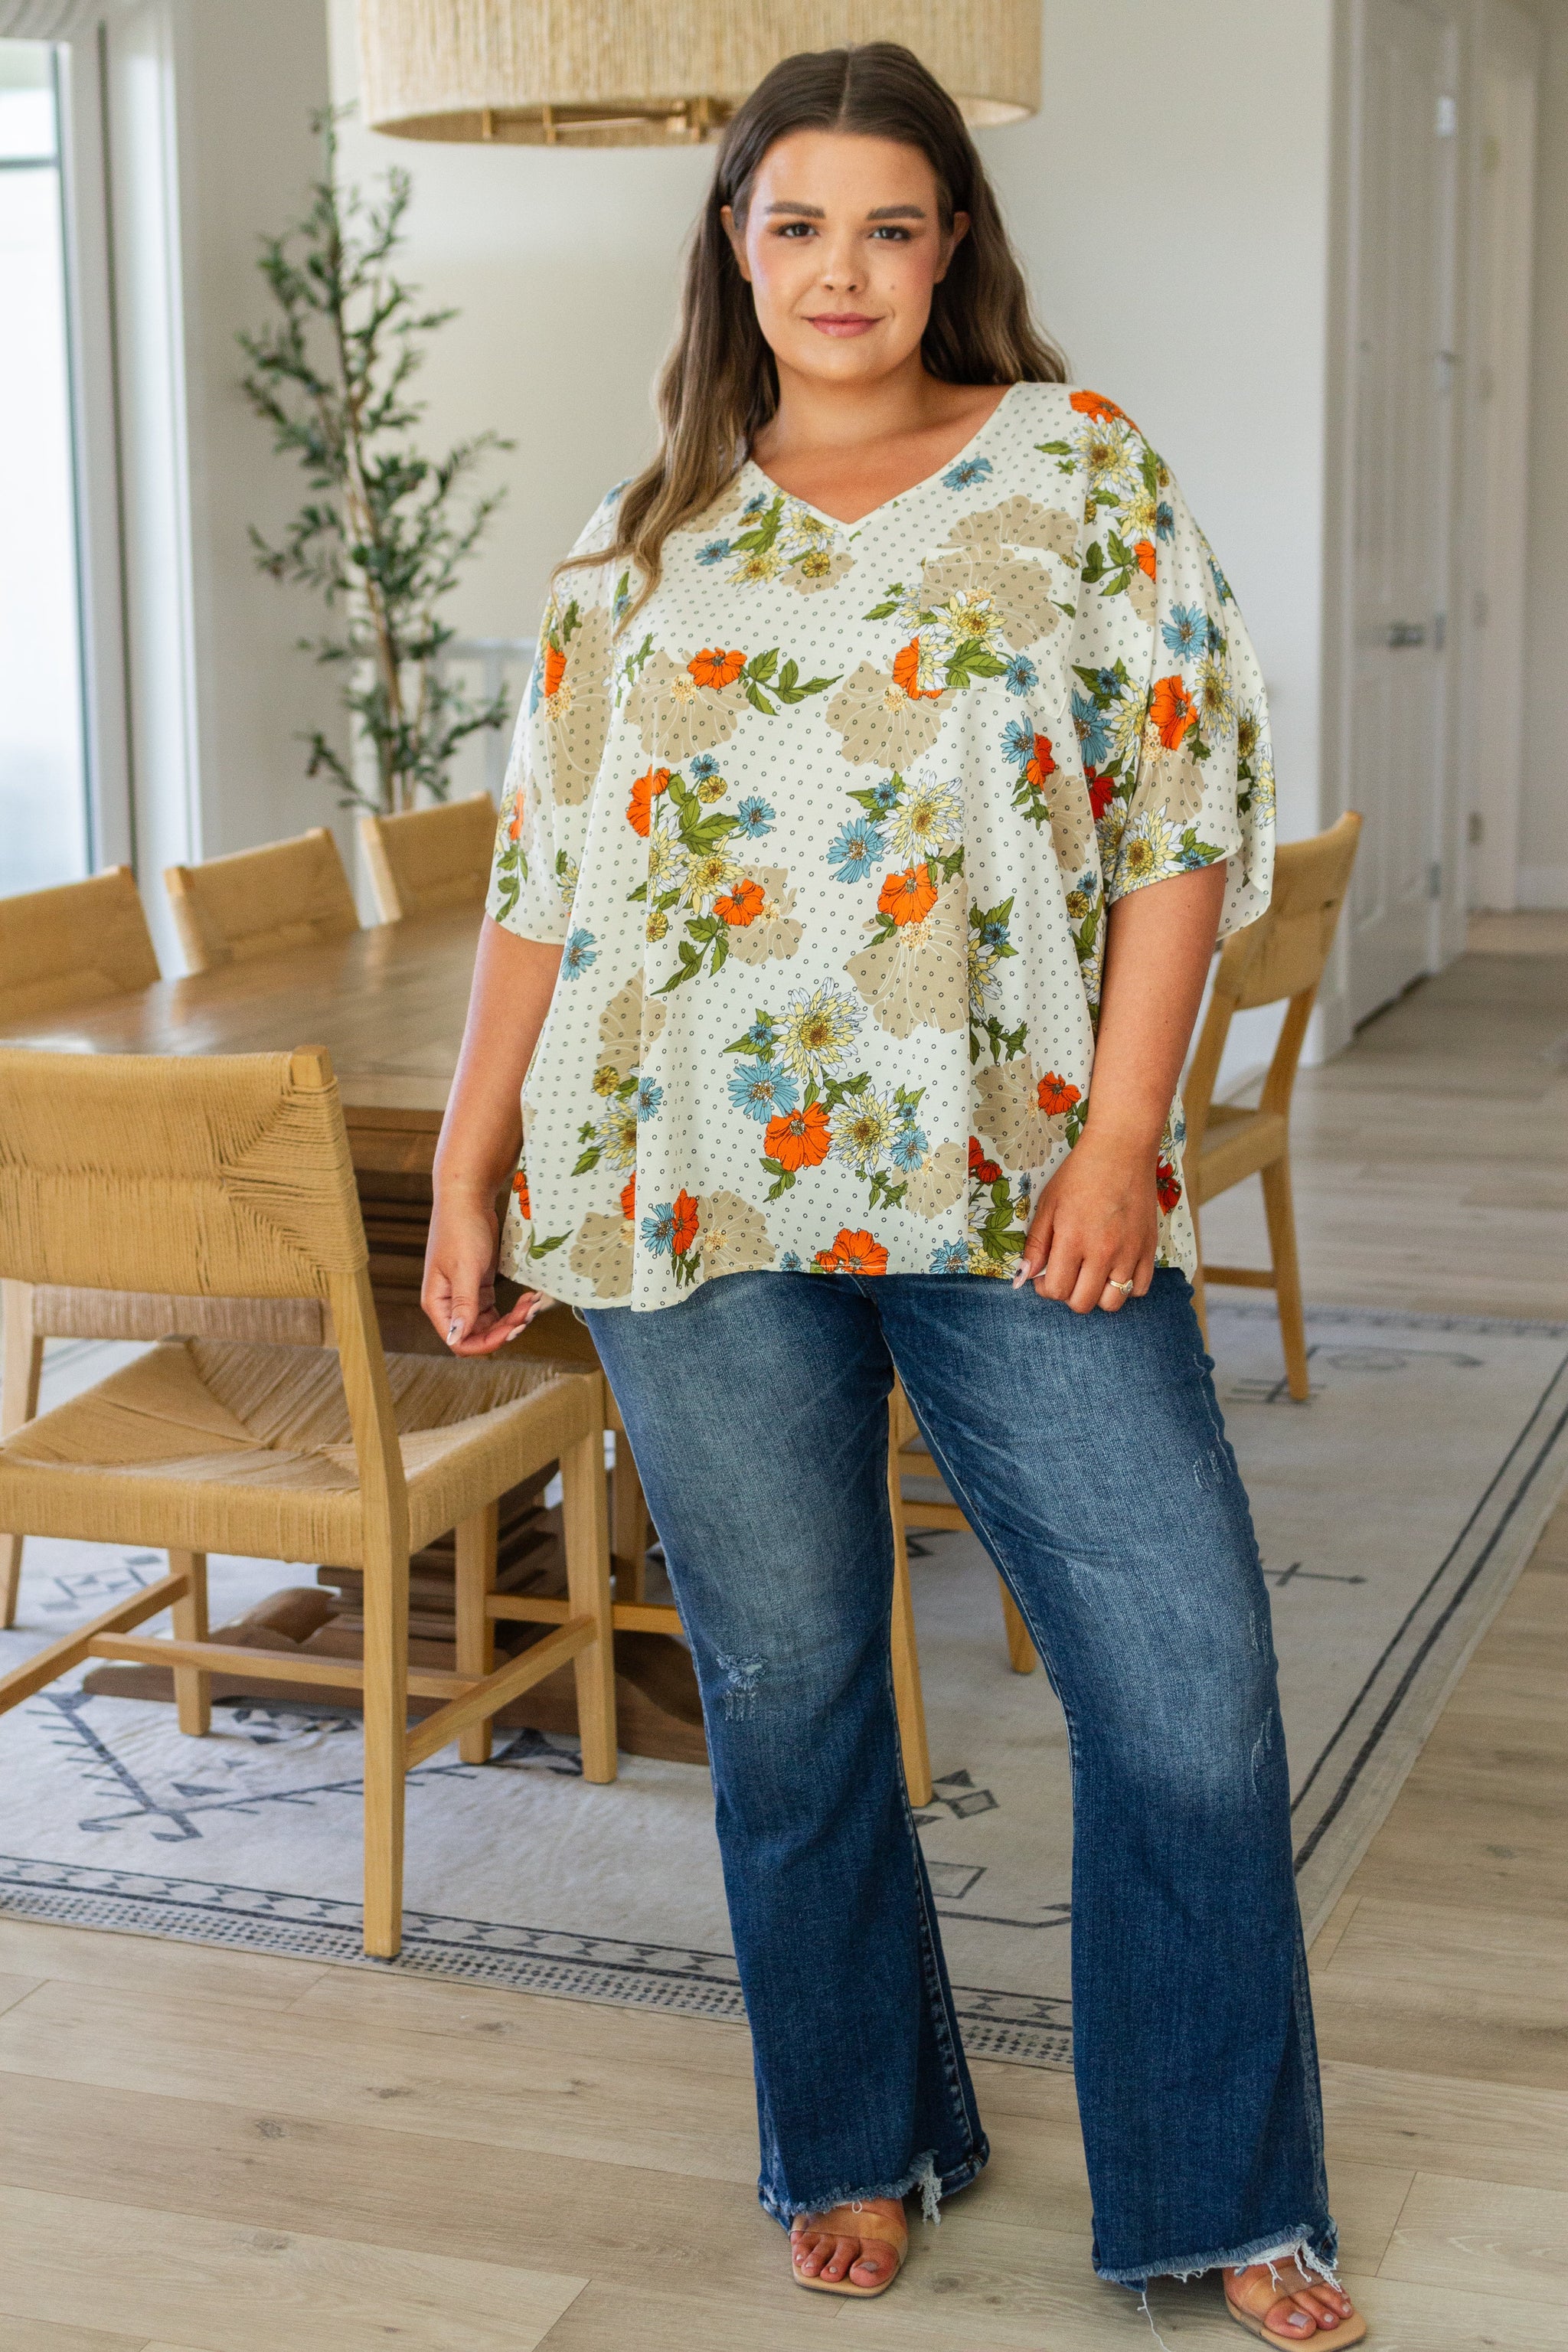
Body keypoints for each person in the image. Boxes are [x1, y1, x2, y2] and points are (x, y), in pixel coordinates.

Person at [423, 41, 1364, 2350]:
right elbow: (543, 880)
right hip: (680, 1187)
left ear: (953, 247)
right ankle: (855, 2134)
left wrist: (1128, 1137)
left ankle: (1224, 2189)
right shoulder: (638, 535)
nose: (840, 271)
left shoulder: (1079, 472)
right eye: (797, 225)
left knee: (1185, 1690)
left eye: (888, 226)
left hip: (1016, 1178)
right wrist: (469, 1158)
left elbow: (1181, 827)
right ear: (733, 247)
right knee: (794, 1687)